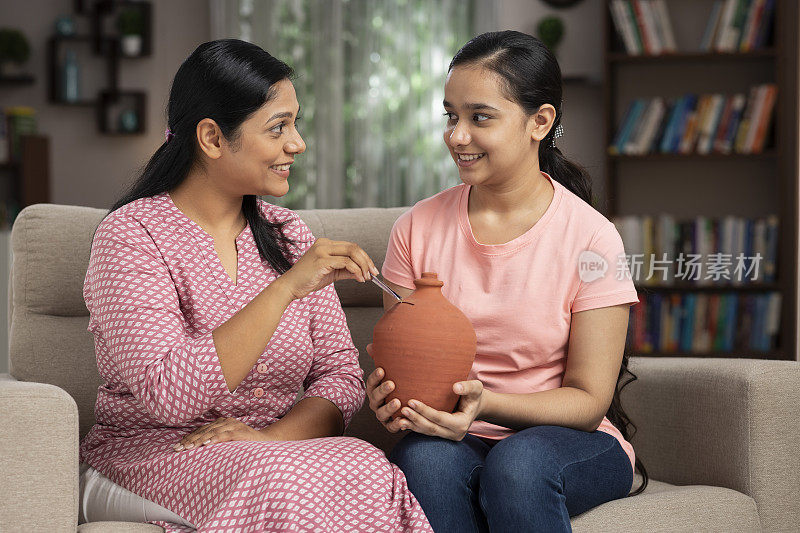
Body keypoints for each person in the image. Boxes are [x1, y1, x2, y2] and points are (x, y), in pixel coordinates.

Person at [79, 39, 432, 532]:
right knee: (276, 479)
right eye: (277, 127)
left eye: (295, 123)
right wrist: (285, 288)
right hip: (152, 457)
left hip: (272, 452)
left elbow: (340, 376)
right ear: (212, 137)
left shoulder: (290, 234)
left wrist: (274, 439)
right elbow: (167, 393)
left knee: (366, 465)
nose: (297, 144)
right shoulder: (131, 236)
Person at [366, 31, 649, 532]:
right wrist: (392, 400)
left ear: (539, 122)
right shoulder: (415, 229)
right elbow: (408, 361)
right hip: (456, 437)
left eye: (480, 117)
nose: (457, 135)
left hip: (568, 440)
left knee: (516, 465)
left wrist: (487, 404)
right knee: (422, 460)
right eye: (451, 116)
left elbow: (587, 402)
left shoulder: (593, 238)